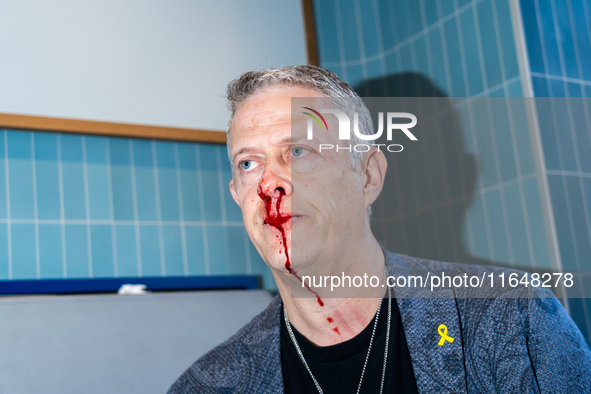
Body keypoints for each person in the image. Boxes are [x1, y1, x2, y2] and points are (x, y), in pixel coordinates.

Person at [168, 65, 591, 393]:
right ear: (236, 194)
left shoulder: (511, 318)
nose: (268, 183)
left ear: (369, 176)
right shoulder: (208, 385)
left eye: (298, 150)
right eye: (248, 163)